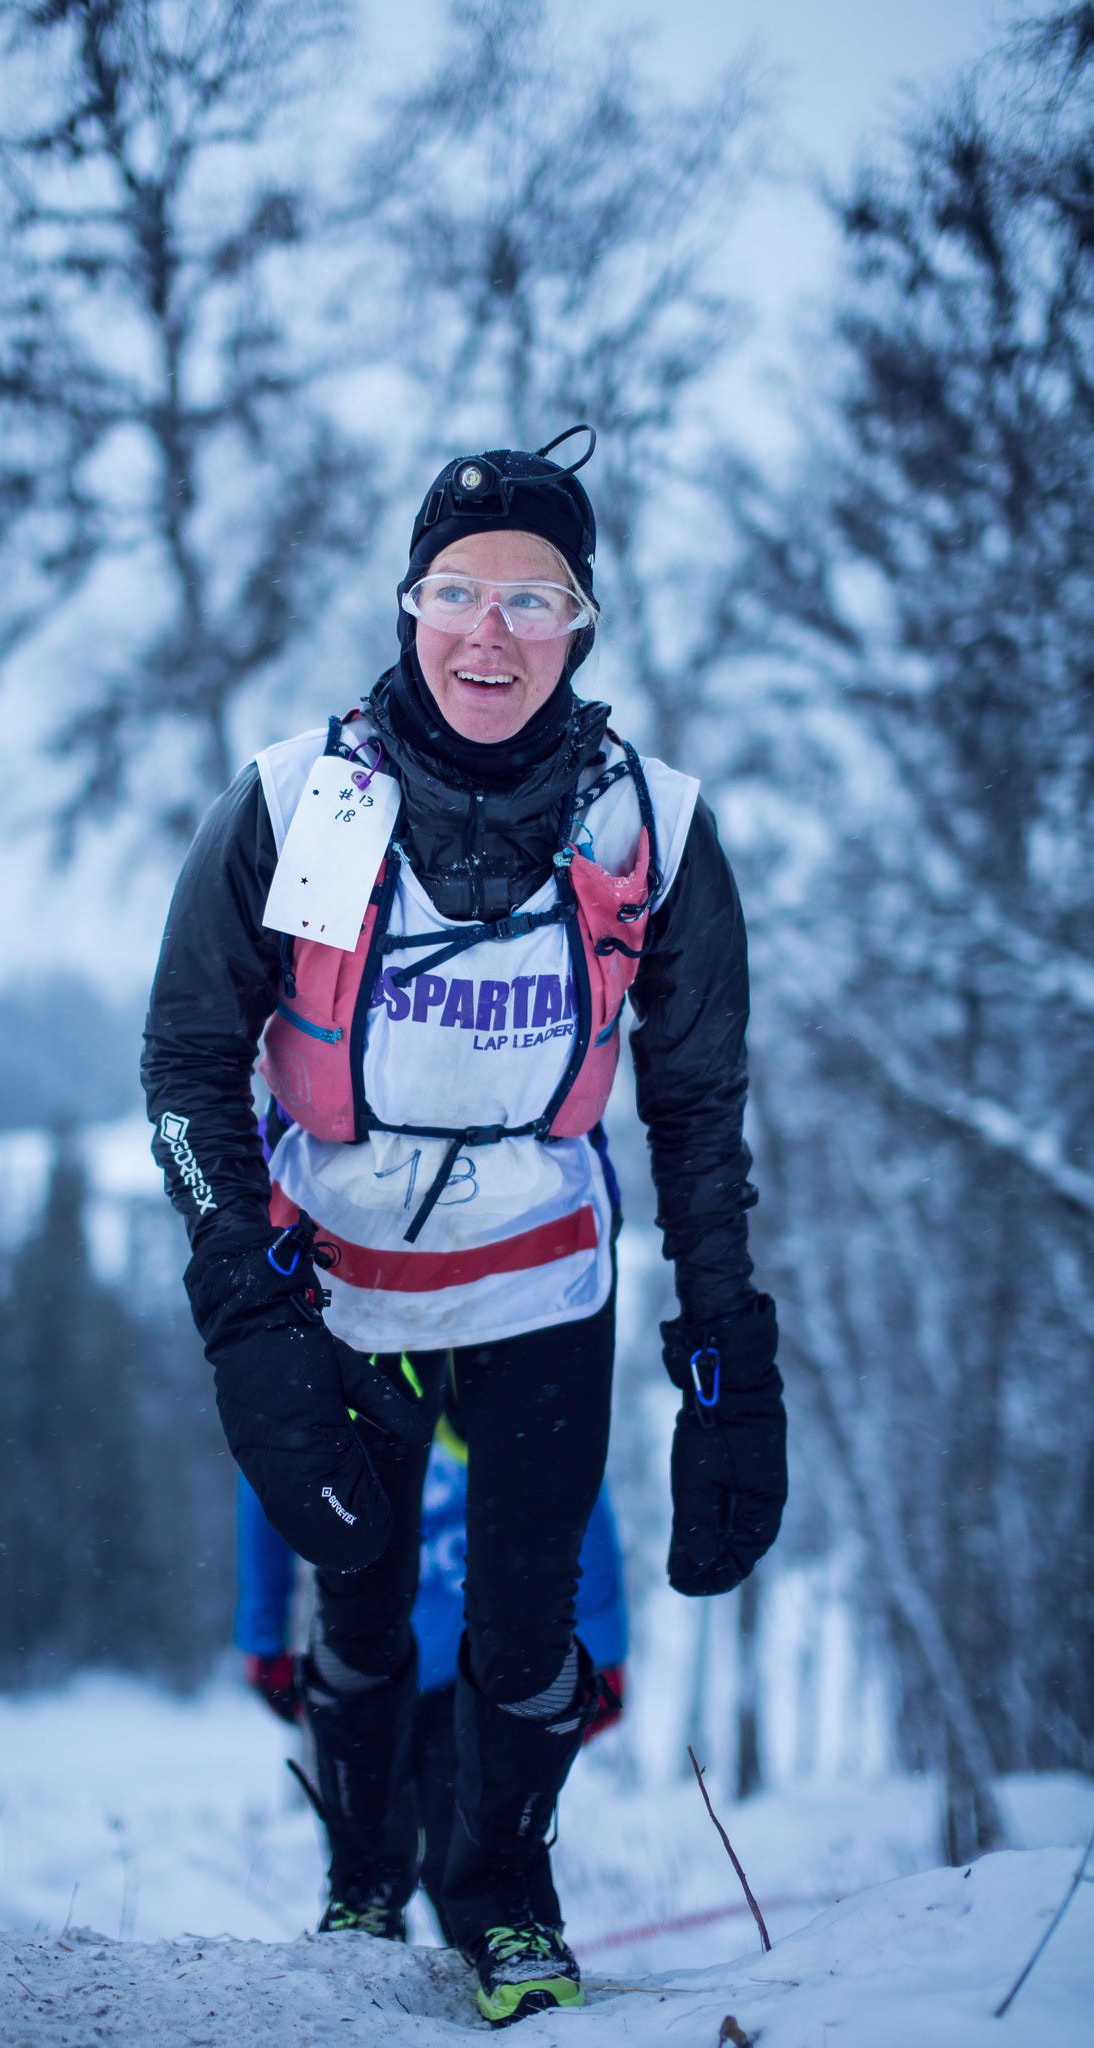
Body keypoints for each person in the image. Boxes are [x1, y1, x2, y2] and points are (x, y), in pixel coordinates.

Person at [143, 427, 787, 2028]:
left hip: (538, 1289)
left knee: (521, 1637)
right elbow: (183, 1066)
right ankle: (362, 1892)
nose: (487, 632)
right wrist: (245, 1309)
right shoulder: (306, 807)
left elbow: (698, 1113)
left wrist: (728, 1358)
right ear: (408, 602)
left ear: (583, 626)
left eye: (533, 598)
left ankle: (504, 1899)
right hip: (334, 1290)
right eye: (456, 590)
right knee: (354, 1620)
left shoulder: (652, 827)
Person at [234, 1385, 629, 1940]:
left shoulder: (485, 1384)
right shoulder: (342, 1384)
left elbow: (575, 1501)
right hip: (363, 1671)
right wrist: (262, 1634)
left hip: (465, 1678)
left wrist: (604, 1647)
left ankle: (491, 1953)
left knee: (460, 1855)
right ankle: (367, 1962)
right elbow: (269, 1491)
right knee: (366, 1855)